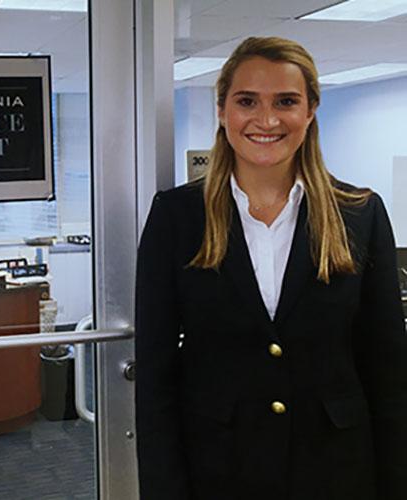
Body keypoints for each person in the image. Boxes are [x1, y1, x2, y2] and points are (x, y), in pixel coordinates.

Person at [135, 36, 407, 500]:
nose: (266, 119)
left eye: (286, 101)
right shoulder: (177, 217)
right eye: (247, 101)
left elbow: (388, 370)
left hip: (338, 469)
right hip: (218, 467)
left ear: (311, 110)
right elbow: (156, 379)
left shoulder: (359, 213)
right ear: (222, 110)